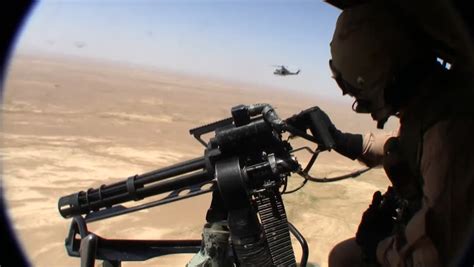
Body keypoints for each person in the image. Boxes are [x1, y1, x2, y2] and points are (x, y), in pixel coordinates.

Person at [318, 1, 474, 266]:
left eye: (358, 93)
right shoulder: (432, 100)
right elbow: (404, 145)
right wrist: (343, 140)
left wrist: (376, 246)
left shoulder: (447, 132)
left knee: (344, 259)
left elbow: (432, 257)